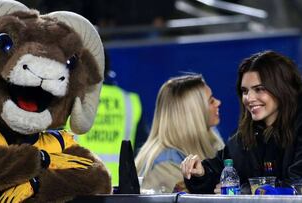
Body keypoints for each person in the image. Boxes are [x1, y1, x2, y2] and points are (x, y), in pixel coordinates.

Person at [181, 50, 302, 194]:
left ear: (282, 89)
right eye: (245, 91)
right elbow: (223, 169)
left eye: (259, 89)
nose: (249, 98)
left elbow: (299, 185)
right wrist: (201, 174)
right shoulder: (245, 135)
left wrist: (244, 191)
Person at [64, 52, 147, 187]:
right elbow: (141, 148)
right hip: (122, 187)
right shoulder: (130, 101)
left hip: (81, 185)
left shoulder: (70, 100)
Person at [135, 74, 224, 193]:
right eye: (211, 101)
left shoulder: (214, 144)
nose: (218, 102)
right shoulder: (165, 165)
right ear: (193, 113)